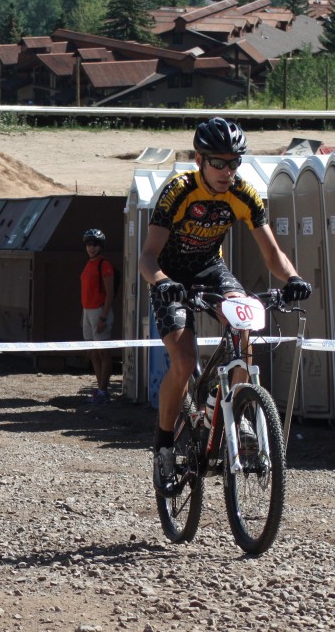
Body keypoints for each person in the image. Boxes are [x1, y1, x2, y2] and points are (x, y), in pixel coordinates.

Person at [139, 117, 312, 496]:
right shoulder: (178, 191)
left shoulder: (244, 194)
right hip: (170, 274)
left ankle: (238, 413)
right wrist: (162, 282)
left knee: (244, 315)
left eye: (234, 162)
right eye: (218, 162)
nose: (227, 171)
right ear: (199, 159)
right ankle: (165, 447)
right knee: (183, 362)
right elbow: (147, 257)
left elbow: (272, 252)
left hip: (210, 269)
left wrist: (293, 278)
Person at [79, 229, 115, 404]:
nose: (91, 248)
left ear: (101, 246)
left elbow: (109, 293)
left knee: (103, 351)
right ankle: (99, 388)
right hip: (87, 311)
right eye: (88, 244)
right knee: (92, 352)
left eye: (95, 244)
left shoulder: (104, 264)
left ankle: (103, 390)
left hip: (99, 311)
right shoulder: (88, 264)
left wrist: (103, 317)